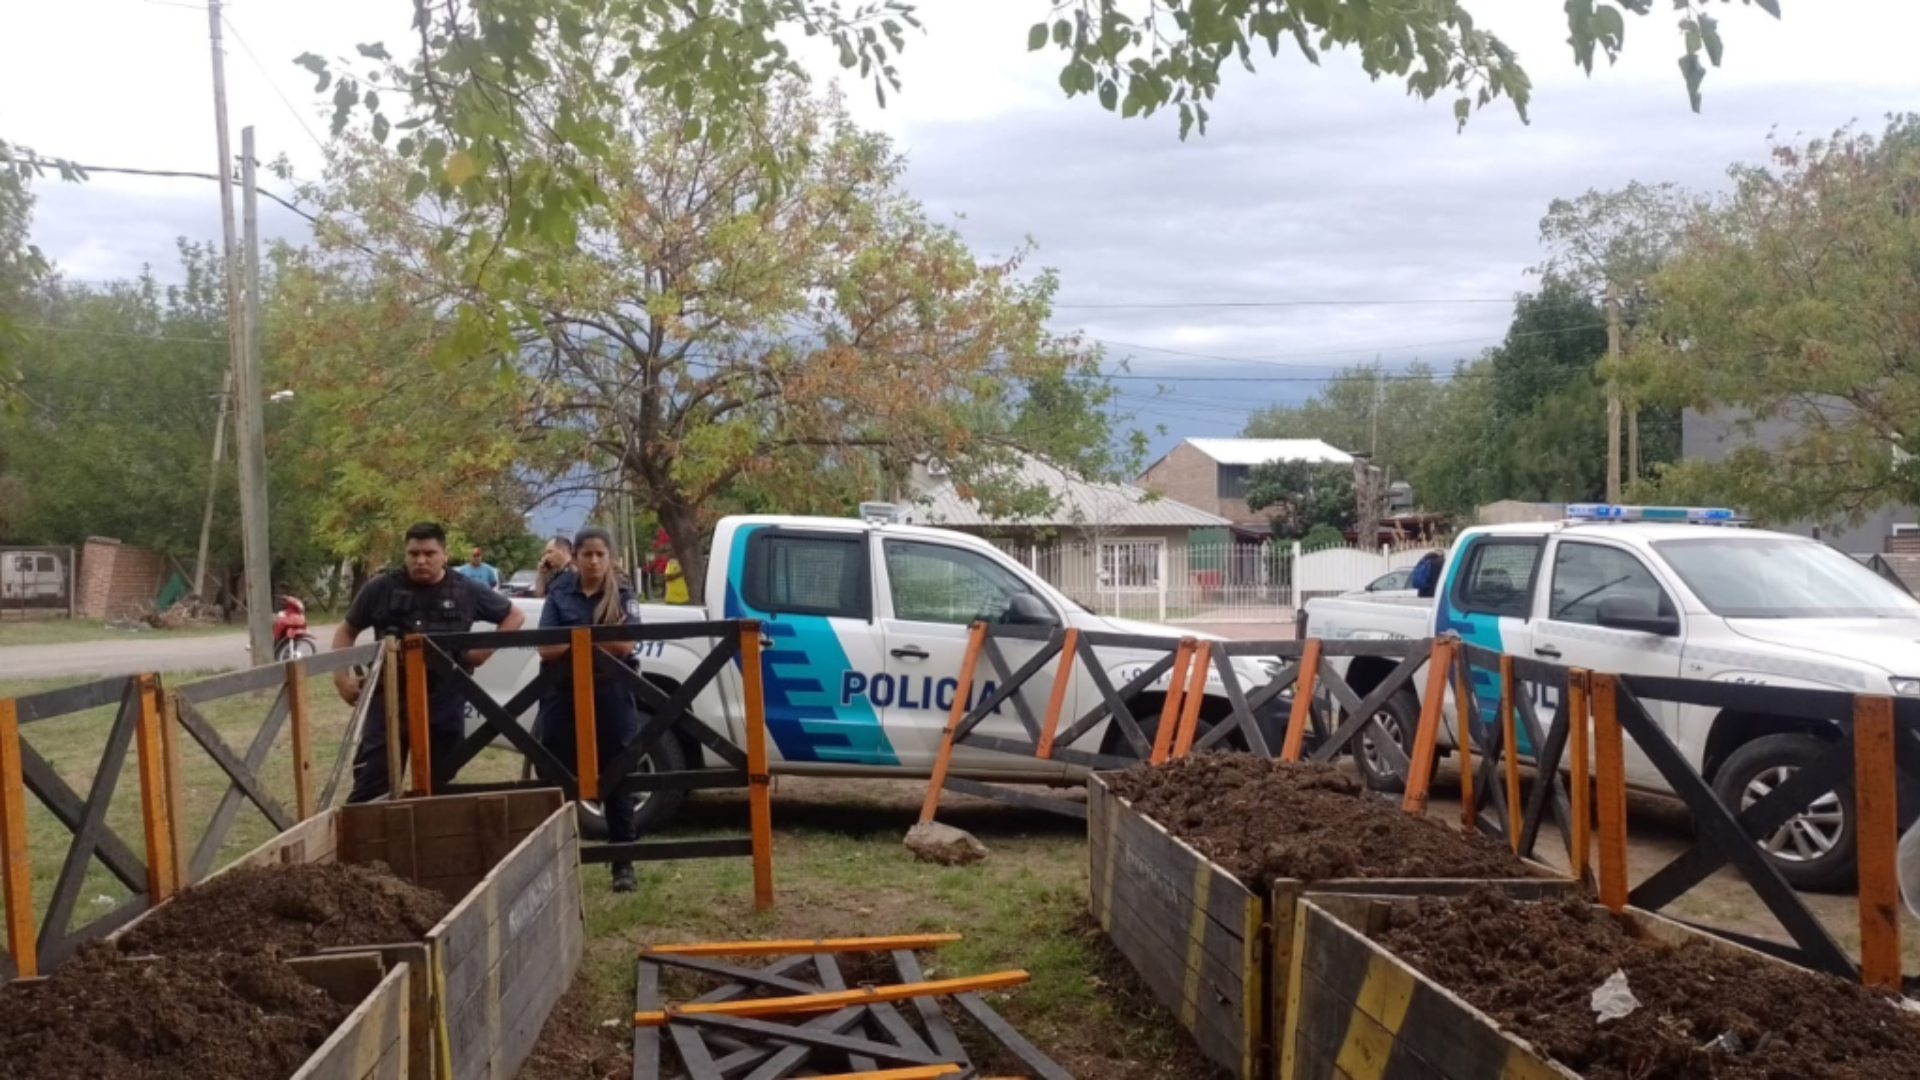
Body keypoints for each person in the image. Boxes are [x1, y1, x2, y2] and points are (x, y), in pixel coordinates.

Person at [332, 522, 525, 802]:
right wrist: (341, 677)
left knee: (440, 784)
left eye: (429, 553)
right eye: (413, 553)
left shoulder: (467, 590)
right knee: (372, 782)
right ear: (405, 554)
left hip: (444, 698)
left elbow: (514, 616)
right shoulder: (381, 588)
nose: (420, 560)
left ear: (445, 555)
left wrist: (482, 652)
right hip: (389, 697)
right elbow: (346, 630)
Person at [535, 526, 645, 892]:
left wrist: (574, 639)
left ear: (609, 557)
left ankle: (622, 865)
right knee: (554, 772)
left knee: (619, 774)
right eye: (587, 554)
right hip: (561, 693)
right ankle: (553, 863)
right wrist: (592, 639)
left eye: (600, 554)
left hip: (611, 691)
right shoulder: (559, 590)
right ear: (576, 557)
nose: (594, 561)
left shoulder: (623, 592)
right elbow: (544, 647)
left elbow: (626, 644)